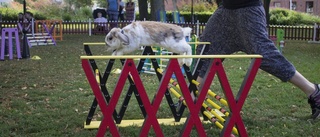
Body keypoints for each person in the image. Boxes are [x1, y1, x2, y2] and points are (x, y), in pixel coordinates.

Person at [196, 0, 320, 119]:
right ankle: (194, 94)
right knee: (206, 48)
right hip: (225, 12)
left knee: (266, 55)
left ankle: (313, 91)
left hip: (249, 11)